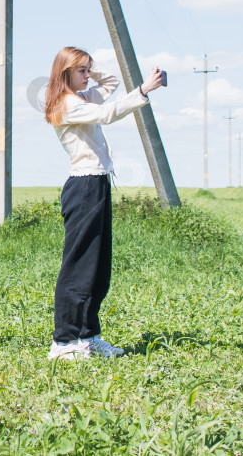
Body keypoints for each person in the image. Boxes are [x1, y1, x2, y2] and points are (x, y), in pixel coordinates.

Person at [44, 46, 165, 360]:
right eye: (82, 71)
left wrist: (88, 67)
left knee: (97, 268)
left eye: (87, 70)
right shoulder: (67, 104)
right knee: (79, 267)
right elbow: (108, 114)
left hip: (96, 182)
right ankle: (64, 343)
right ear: (66, 73)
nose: (88, 76)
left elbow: (109, 83)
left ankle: (88, 337)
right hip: (83, 185)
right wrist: (144, 90)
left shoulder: (82, 96)